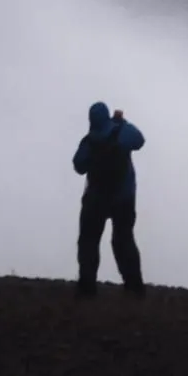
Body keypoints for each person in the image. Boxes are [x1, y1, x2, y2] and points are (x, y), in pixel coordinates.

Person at [72, 100, 146, 296]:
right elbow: (139, 140)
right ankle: (134, 288)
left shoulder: (89, 140)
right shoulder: (121, 131)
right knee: (123, 241)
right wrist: (121, 123)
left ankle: (87, 289)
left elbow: (78, 166)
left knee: (88, 241)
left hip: (96, 199)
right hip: (124, 197)